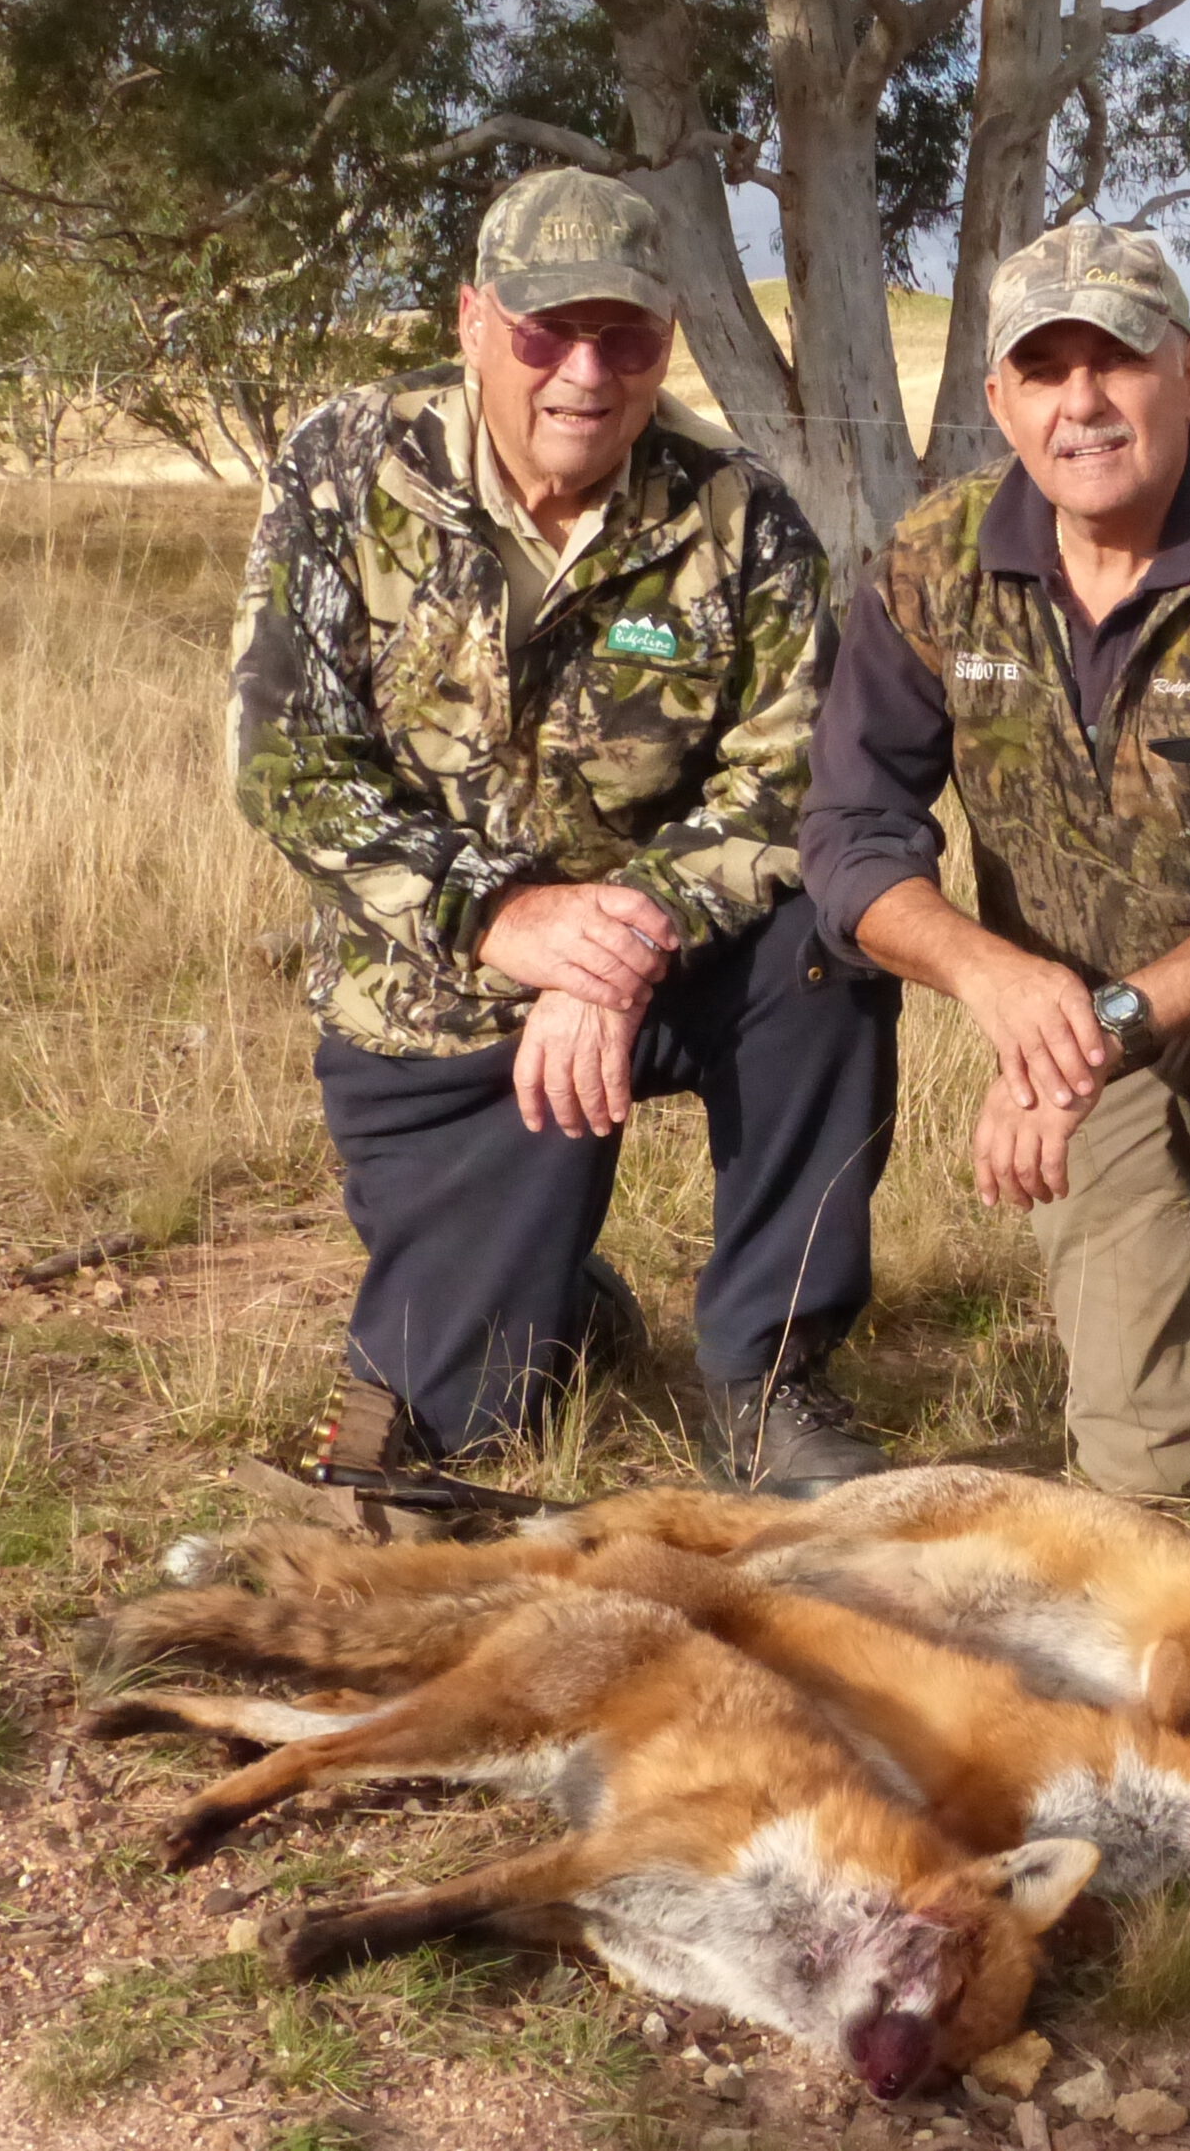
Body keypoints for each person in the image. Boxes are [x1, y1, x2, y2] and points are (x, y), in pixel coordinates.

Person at [228, 166, 897, 1505]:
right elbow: (289, 763)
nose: (587, 373)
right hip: (437, 999)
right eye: (548, 333)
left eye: (629, 338)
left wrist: (622, 940)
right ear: (476, 321)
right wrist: (505, 918)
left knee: (833, 942)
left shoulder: (740, 511)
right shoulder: (346, 466)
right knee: (450, 1431)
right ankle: (562, 1299)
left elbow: (786, 780)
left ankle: (769, 1385)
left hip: (662, 963)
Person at [800, 220, 1190, 1603]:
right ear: (1001, 403)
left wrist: (1093, 1020)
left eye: (1119, 362)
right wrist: (995, 985)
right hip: (1075, 1015)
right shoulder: (933, 562)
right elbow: (851, 836)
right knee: (1157, 1453)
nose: (1083, 402)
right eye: (1045, 370)